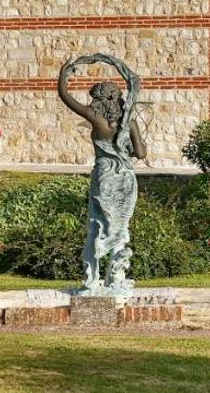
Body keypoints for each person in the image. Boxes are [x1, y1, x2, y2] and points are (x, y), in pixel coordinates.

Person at [57, 53, 148, 294]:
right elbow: (140, 153)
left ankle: (93, 278)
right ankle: (115, 276)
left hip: (105, 175)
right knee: (120, 225)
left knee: (99, 223)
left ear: (98, 100)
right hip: (126, 178)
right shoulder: (130, 123)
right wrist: (128, 139)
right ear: (118, 100)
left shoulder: (95, 117)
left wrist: (64, 74)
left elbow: (66, 97)